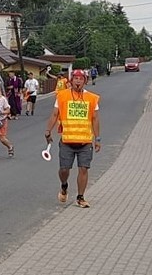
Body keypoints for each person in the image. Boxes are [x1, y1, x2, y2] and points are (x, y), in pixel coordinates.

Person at [44, 69, 101, 208]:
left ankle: (80, 197)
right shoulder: (62, 96)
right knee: (64, 169)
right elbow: (54, 115)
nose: (78, 81)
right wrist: (48, 131)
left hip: (85, 141)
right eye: (75, 78)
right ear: (71, 80)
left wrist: (97, 138)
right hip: (67, 140)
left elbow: (95, 119)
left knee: (84, 169)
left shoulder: (92, 98)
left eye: (81, 79)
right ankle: (64, 186)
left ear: (85, 81)